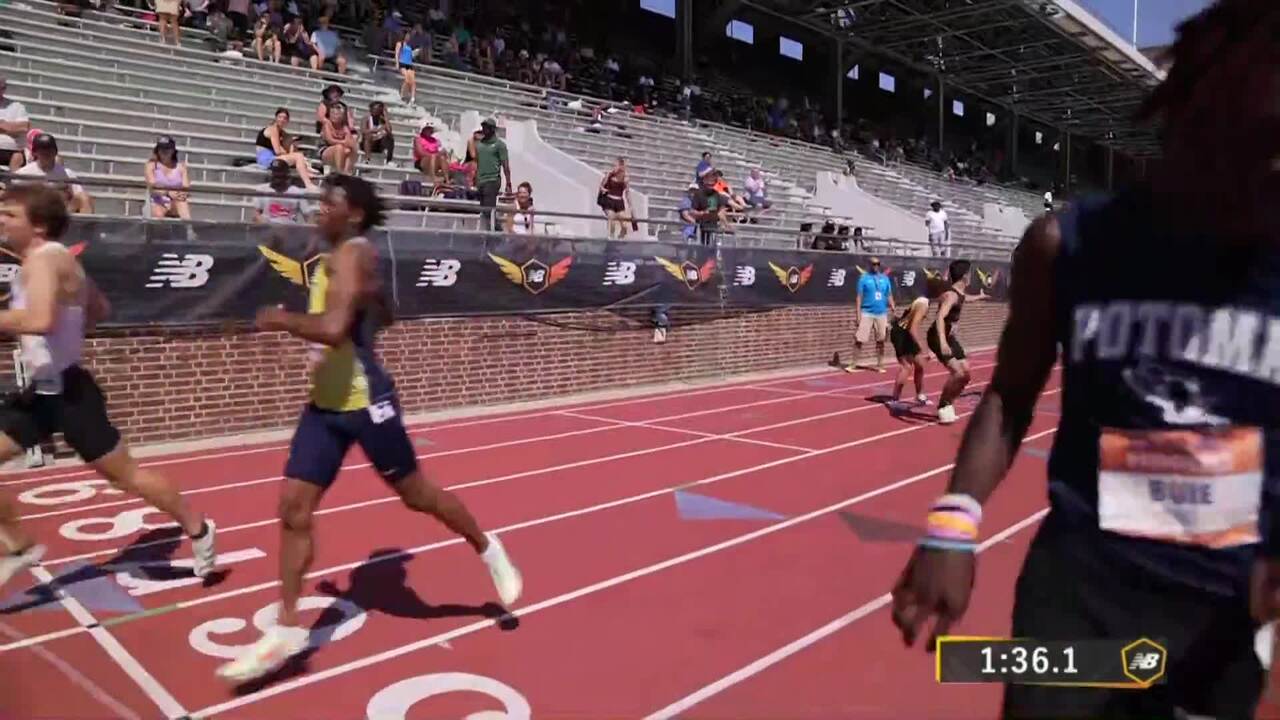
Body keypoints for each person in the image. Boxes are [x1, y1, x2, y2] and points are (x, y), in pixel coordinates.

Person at [892, 3, 1280, 718]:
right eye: (1263, 147)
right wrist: (954, 522)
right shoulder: (1064, 246)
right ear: (1194, 118)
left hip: (1223, 621)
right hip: (1075, 605)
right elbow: (1009, 396)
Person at [218, 175, 522, 683]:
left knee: (418, 495)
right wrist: (373, 306)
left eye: (328, 203)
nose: (318, 210)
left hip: (365, 402)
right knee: (293, 506)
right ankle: (287, 629)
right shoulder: (340, 254)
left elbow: (334, 330)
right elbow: (379, 316)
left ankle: (489, 548)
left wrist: (279, 318)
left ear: (354, 213)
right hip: (325, 405)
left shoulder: (353, 253)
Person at [0, 185, 216, 588]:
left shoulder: (45, 261)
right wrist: (67, 335)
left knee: (125, 477)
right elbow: (99, 308)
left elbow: (40, 319)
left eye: (10, 215)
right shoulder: (53, 260)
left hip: (69, 394)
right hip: (44, 390)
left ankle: (199, 528)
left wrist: (49, 332)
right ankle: (19, 547)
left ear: (39, 225)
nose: (1, 221)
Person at [925, 260, 974, 424]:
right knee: (958, 373)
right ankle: (943, 404)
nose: (971, 276)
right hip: (938, 338)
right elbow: (940, 317)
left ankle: (949, 403)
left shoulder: (960, 293)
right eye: (970, 273)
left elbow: (966, 298)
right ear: (965, 276)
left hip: (950, 338)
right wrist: (943, 343)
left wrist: (980, 296)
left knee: (966, 374)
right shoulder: (952, 295)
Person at [888, 277, 940, 408]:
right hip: (900, 333)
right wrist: (924, 349)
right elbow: (913, 328)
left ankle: (920, 395)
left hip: (905, 332)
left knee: (920, 364)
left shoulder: (924, 301)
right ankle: (895, 399)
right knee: (907, 366)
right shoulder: (923, 304)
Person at [848, 257, 895, 373]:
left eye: (877, 264)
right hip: (867, 312)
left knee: (881, 340)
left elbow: (889, 294)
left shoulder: (885, 279)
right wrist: (858, 315)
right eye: (873, 264)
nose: (876, 266)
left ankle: (880, 364)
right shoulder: (864, 278)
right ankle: (853, 364)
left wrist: (892, 304)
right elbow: (859, 297)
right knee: (859, 338)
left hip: (881, 313)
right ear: (870, 265)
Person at [474, 119, 512, 227]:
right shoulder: (480, 144)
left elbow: (505, 165)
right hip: (480, 181)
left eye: (487, 127)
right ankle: (488, 234)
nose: (484, 129)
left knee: (489, 211)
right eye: (483, 127)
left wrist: (508, 183)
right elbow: (478, 162)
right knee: (483, 211)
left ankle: (495, 234)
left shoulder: (500, 145)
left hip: (492, 180)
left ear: (492, 129)